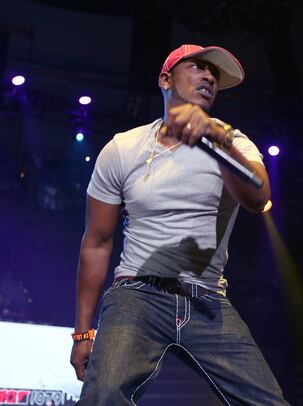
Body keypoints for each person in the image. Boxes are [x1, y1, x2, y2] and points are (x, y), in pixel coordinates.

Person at [69, 43, 289, 405]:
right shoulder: (124, 148)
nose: (209, 77)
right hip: (137, 296)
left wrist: (217, 142)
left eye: (214, 75)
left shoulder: (234, 142)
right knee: (102, 395)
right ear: (165, 78)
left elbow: (257, 199)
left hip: (207, 298)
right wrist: (82, 332)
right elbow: (97, 240)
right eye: (199, 67)